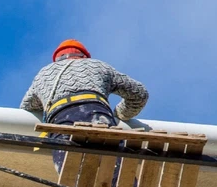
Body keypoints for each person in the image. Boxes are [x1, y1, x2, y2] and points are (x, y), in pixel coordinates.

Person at [21, 39, 149, 170]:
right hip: (97, 114)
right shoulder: (97, 65)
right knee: (115, 171)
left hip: (60, 122)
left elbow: (26, 108)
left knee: (71, 174)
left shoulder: (44, 74)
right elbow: (139, 93)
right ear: (85, 56)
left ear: (57, 59)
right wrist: (118, 115)